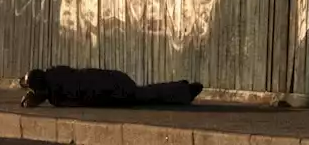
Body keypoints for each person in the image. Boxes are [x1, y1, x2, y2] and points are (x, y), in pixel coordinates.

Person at [19, 66, 204, 108]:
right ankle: (183, 90)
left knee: (145, 95)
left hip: (112, 88)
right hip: (111, 81)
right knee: (145, 94)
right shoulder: (56, 76)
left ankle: (184, 91)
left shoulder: (58, 93)